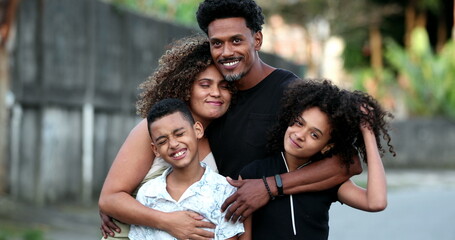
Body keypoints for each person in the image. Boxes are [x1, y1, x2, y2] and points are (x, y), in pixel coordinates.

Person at [195, 0, 362, 222]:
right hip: (230, 229)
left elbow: (349, 162)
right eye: (217, 43)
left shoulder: (291, 92)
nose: (226, 52)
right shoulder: (212, 96)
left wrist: (270, 186)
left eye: (236, 40)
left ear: (257, 39)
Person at [99, 35, 235, 240]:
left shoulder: (222, 137)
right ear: (186, 86)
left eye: (224, 86)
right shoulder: (153, 129)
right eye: (205, 85)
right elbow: (110, 199)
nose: (216, 93)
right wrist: (168, 221)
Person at [239, 79, 395, 239]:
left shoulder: (329, 179)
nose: (299, 135)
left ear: (327, 146)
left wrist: (368, 131)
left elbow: (376, 202)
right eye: (298, 123)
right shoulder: (253, 173)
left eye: (314, 134)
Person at [129, 98, 250, 240]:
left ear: (198, 130)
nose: (173, 144)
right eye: (163, 141)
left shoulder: (225, 192)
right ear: (155, 149)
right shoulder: (148, 193)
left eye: (179, 134)